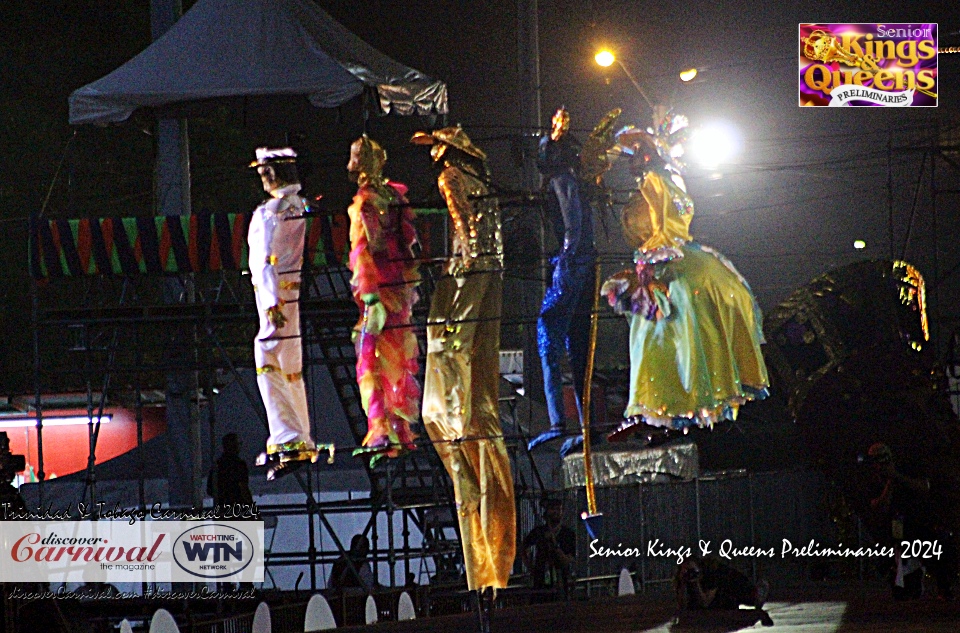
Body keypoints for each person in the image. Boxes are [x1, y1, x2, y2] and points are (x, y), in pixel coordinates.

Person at [601, 109, 769, 440]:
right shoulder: (672, 178)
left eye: (636, 155)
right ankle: (666, 413)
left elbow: (670, 225)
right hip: (684, 257)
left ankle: (657, 409)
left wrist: (652, 257)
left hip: (668, 259)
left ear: (647, 155)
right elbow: (680, 215)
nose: (632, 162)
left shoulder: (656, 179)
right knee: (659, 329)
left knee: (651, 331)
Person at [411, 127, 516, 626]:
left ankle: (486, 576)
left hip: (472, 274)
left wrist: (465, 258)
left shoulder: (453, 177)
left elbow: (464, 223)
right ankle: (489, 575)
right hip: (489, 274)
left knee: (447, 347)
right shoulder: (483, 179)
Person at [527, 108, 598, 458]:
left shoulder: (562, 180)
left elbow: (573, 226)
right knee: (576, 341)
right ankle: (585, 426)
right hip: (581, 262)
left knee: (547, 333)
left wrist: (567, 261)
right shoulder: (573, 181)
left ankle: (559, 423)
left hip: (573, 264)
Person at [248, 147, 322, 480]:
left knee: (269, 363)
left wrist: (271, 301)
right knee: (290, 367)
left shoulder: (271, 210)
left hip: (275, 294)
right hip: (290, 292)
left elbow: (265, 260)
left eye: (265, 171)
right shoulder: (299, 206)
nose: (262, 177)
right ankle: (298, 438)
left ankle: (289, 438)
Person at [346, 135, 421, 466]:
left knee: (369, 360)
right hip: (400, 288)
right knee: (398, 357)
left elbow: (365, 250)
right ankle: (400, 430)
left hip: (379, 291)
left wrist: (371, 296)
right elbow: (408, 242)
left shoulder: (366, 201)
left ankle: (380, 430)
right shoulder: (393, 195)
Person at [864, 442, 956, 599]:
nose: (880, 465)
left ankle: (943, 587)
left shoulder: (906, 468)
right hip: (895, 531)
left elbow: (924, 487)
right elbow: (878, 507)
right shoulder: (873, 480)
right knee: (902, 588)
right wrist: (889, 483)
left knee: (940, 546)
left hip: (918, 523)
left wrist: (897, 476)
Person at [520, 498, 575, 600]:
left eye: (559, 509)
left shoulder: (568, 534)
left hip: (560, 582)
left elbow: (567, 560)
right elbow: (523, 548)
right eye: (553, 509)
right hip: (540, 582)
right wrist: (531, 567)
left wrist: (554, 544)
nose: (556, 512)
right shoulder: (539, 532)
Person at [676, 556, 768, 613]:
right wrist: (683, 583)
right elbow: (682, 606)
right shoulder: (683, 578)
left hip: (734, 585)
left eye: (693, 571)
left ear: (700, 568)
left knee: (749, 598)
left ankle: (758, 590)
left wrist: (696, 583)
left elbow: (705, 602)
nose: (690, 574)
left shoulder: (712, 572)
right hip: (722, 592)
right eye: (687, 571)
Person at [207, 433, 254, 509]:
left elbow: (210, 490)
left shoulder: (217, 466)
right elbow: (243, 488)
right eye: (238, 444)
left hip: (222, 509)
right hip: (238, 509)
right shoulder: (239, 465)